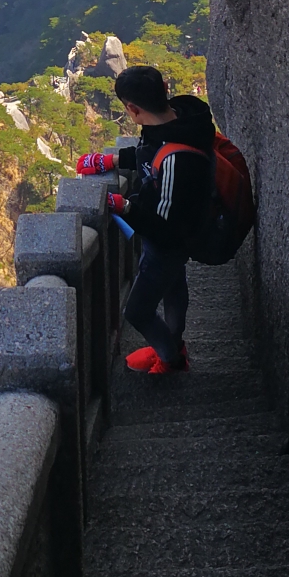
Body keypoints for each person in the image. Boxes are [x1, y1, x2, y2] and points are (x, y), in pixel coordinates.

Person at [77, 64, 220, 376]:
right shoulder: (181, 118)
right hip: (177, 235)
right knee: (173, 286)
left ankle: (171, 359)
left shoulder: (176, 158)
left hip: (169, 243)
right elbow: (149, 153)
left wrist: (125, 207)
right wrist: (112, 160)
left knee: (138, 311)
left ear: (132, 109)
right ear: (166, 88)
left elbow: (167, 228)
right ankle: (175, 341)